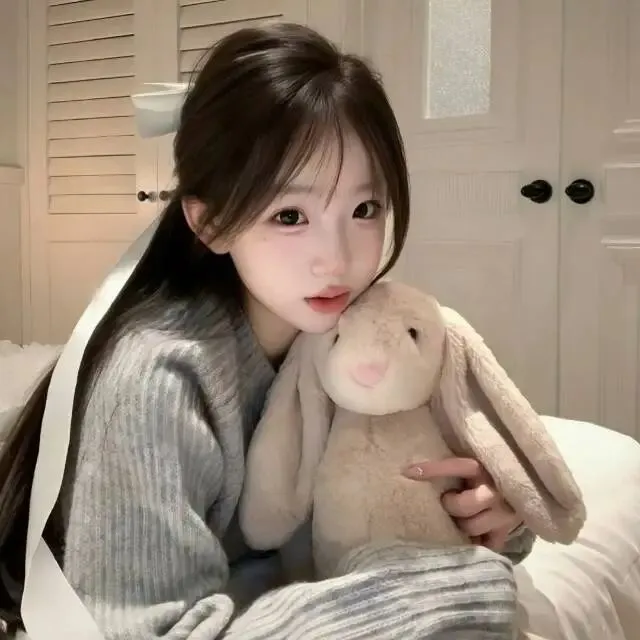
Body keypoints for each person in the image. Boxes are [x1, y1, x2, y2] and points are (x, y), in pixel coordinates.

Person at [0, 22, 533, 640]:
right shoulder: (156, 380)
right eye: (289, 215)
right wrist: (441, 590)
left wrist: (494, 514)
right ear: (212, 224)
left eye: (364, 209)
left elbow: (445, 497)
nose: (337, 260)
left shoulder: (363, 336)